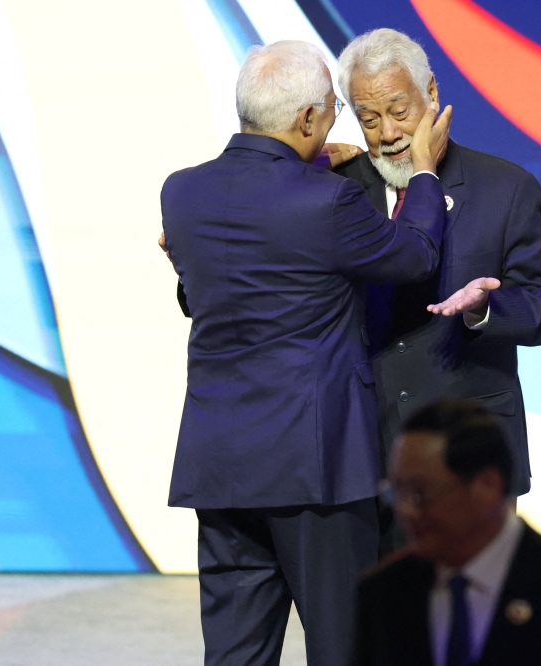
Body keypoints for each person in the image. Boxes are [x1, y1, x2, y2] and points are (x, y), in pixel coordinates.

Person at [160, 40, 452, 666]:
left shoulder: (181, 194)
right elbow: (415, 255)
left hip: (221, 466)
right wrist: (424, 173)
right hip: (316, 468)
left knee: (236, 652)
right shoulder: (328, 203)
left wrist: (313, 165)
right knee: (343, 645)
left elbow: (223, 276)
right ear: (308, 121)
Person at [334, 29, 541, 519]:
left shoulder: (505, 188)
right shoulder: (340, 190)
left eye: (399, 111)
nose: (388, 134)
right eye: (369, 119)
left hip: (470, 453)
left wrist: (487, 310)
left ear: (432, 93)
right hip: (361, 457)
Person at [354, 400, 541, 666]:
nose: (405, 511)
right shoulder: (383, 593)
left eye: (419, 494)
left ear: (487, 486)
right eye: (397, 492)